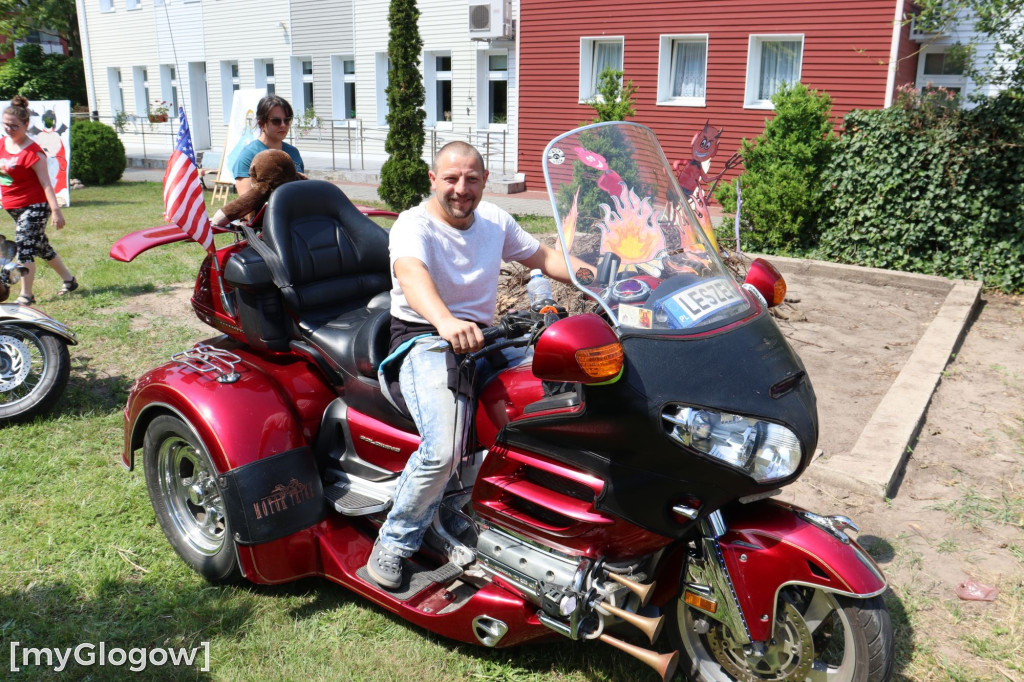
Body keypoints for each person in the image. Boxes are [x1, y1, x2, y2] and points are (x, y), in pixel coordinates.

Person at [366, 141, 589, 589]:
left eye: (471, 179)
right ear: (434, 180)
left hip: (485, 338)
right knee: (443, 448)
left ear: (485, 180)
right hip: (424, 338)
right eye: (451, 178)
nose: (461, 188)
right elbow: (412, 276)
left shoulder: (495, 222)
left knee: (557, 401)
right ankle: (393, 542)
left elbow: (544, 258)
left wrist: (603, 275)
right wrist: (446, 321)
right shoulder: (413, 226)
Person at [0, 96, 76, 305]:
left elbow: (46, 184)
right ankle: (69, 281)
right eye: (5, 124)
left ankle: (26, 295)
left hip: (34, 206)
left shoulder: (33, 152)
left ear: (26, 125)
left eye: (14, 126)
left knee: (24, 245)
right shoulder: (1, 144)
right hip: (12, 207)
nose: (9, 129)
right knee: (41, 247)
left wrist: (56, 210)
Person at [232, 95, 305, 195]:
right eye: (276, 121)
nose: (283, 125)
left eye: (287, 120)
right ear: (261, 123)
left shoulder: (293, 152)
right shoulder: (248, 156)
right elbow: (246, 202)